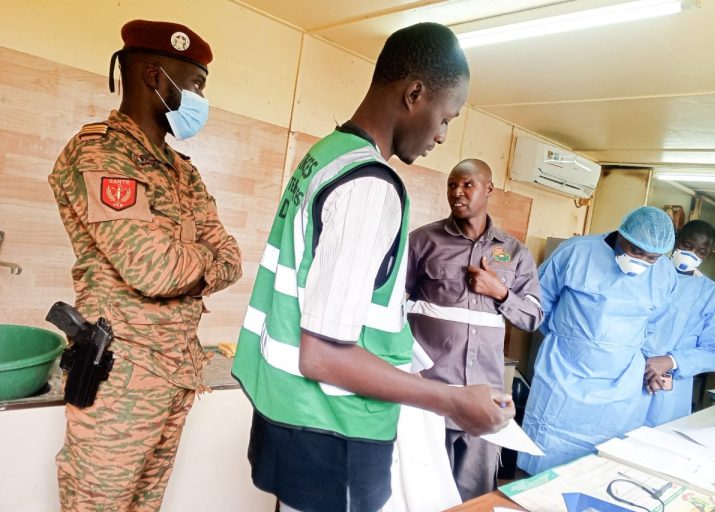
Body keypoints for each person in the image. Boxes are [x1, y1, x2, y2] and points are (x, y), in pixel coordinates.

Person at [232, 23, 514, 512]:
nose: (441, 136)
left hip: (290, 417)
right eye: (445, 118)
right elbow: (322, 356)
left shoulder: (326, 154)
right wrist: (451, 400)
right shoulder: (370, 185)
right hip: (332, 431)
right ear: (414, 94)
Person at [48, 20, 242, 511]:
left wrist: (192, 264)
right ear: (155, 76)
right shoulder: (101, 152)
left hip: (177, 372)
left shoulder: (182, 170)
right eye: (195, 84)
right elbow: (154, 270)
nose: (200, 98)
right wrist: (202, 263)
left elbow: (232, 257)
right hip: (122, 380)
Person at [406, 158, 543, 500]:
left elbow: (532, 317)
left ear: (489, 189)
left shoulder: (514, 253)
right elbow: (391, 305)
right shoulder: (422, 242)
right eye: (452, 185)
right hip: (432, 395)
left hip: (485, 399)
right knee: (424, 493)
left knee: (475, 495)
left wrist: (500, 292)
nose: (458, 192)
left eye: (468, 185)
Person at [517, 206, 677, 475]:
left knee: (603, 466)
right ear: (622, 233)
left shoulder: (664, 274)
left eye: (651, 257)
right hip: (564, 372)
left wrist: (647, 365)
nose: (641, 261)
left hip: (621, 384)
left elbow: (653, 325)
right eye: (635, 250)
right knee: (544, 457)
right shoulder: (576, 252)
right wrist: (574, 340)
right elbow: (538, 303)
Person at [643, 220, 715, 426]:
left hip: (669, 388)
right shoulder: (644, 273)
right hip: (627, 372)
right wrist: (638, 362)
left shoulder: (712, 295)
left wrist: (672, 361)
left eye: (701, 251)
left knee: (657, 440)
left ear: (708, 254)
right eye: (687, 245)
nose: (691, 254)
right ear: (676, 240)